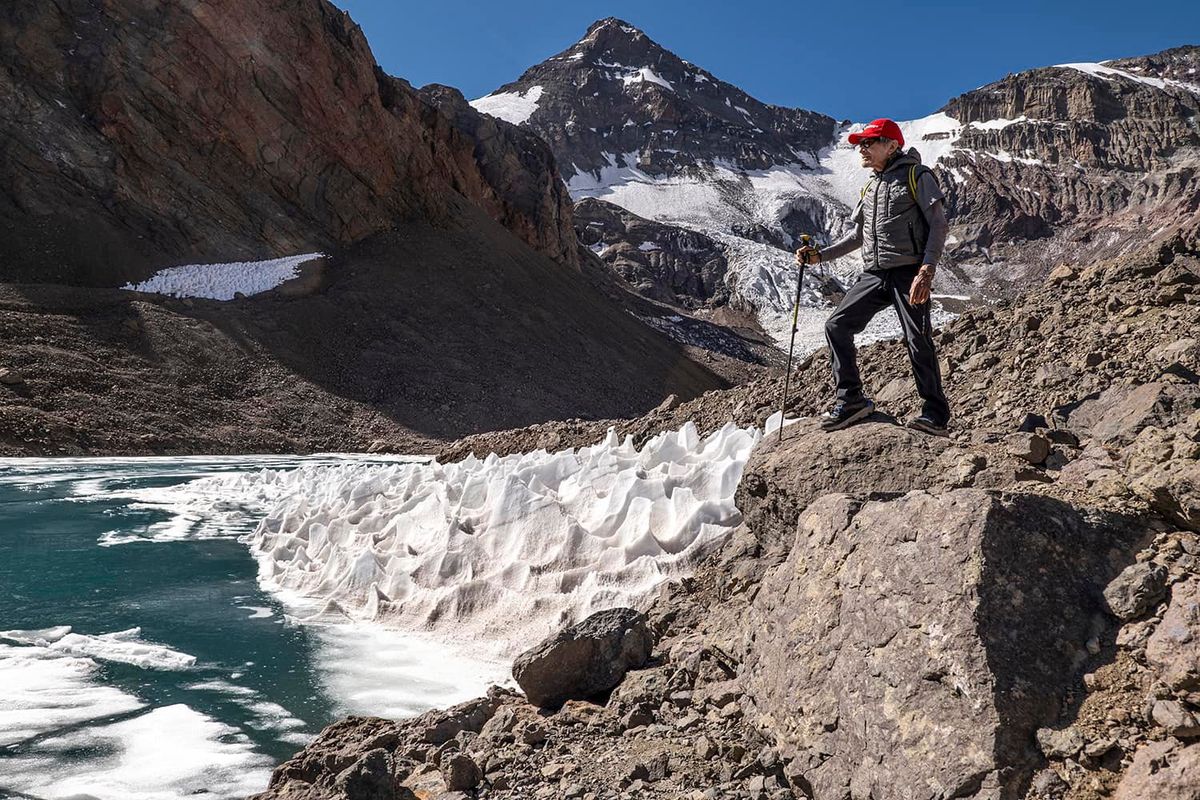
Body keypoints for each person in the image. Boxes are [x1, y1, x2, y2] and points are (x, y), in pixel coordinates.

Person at [796, 118, 951, 436]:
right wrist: (820, 256)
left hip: (910, 271)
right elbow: (857, 237)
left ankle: (935, 415)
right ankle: (851, 400)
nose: (862, 148)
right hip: (875, 273)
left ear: (892, 145)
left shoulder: (916, 175)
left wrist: (927, 269)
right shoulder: (871, 186)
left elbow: (938, 224)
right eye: (860, 144)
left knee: (917, 338)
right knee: (836, 325)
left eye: (869, 142)